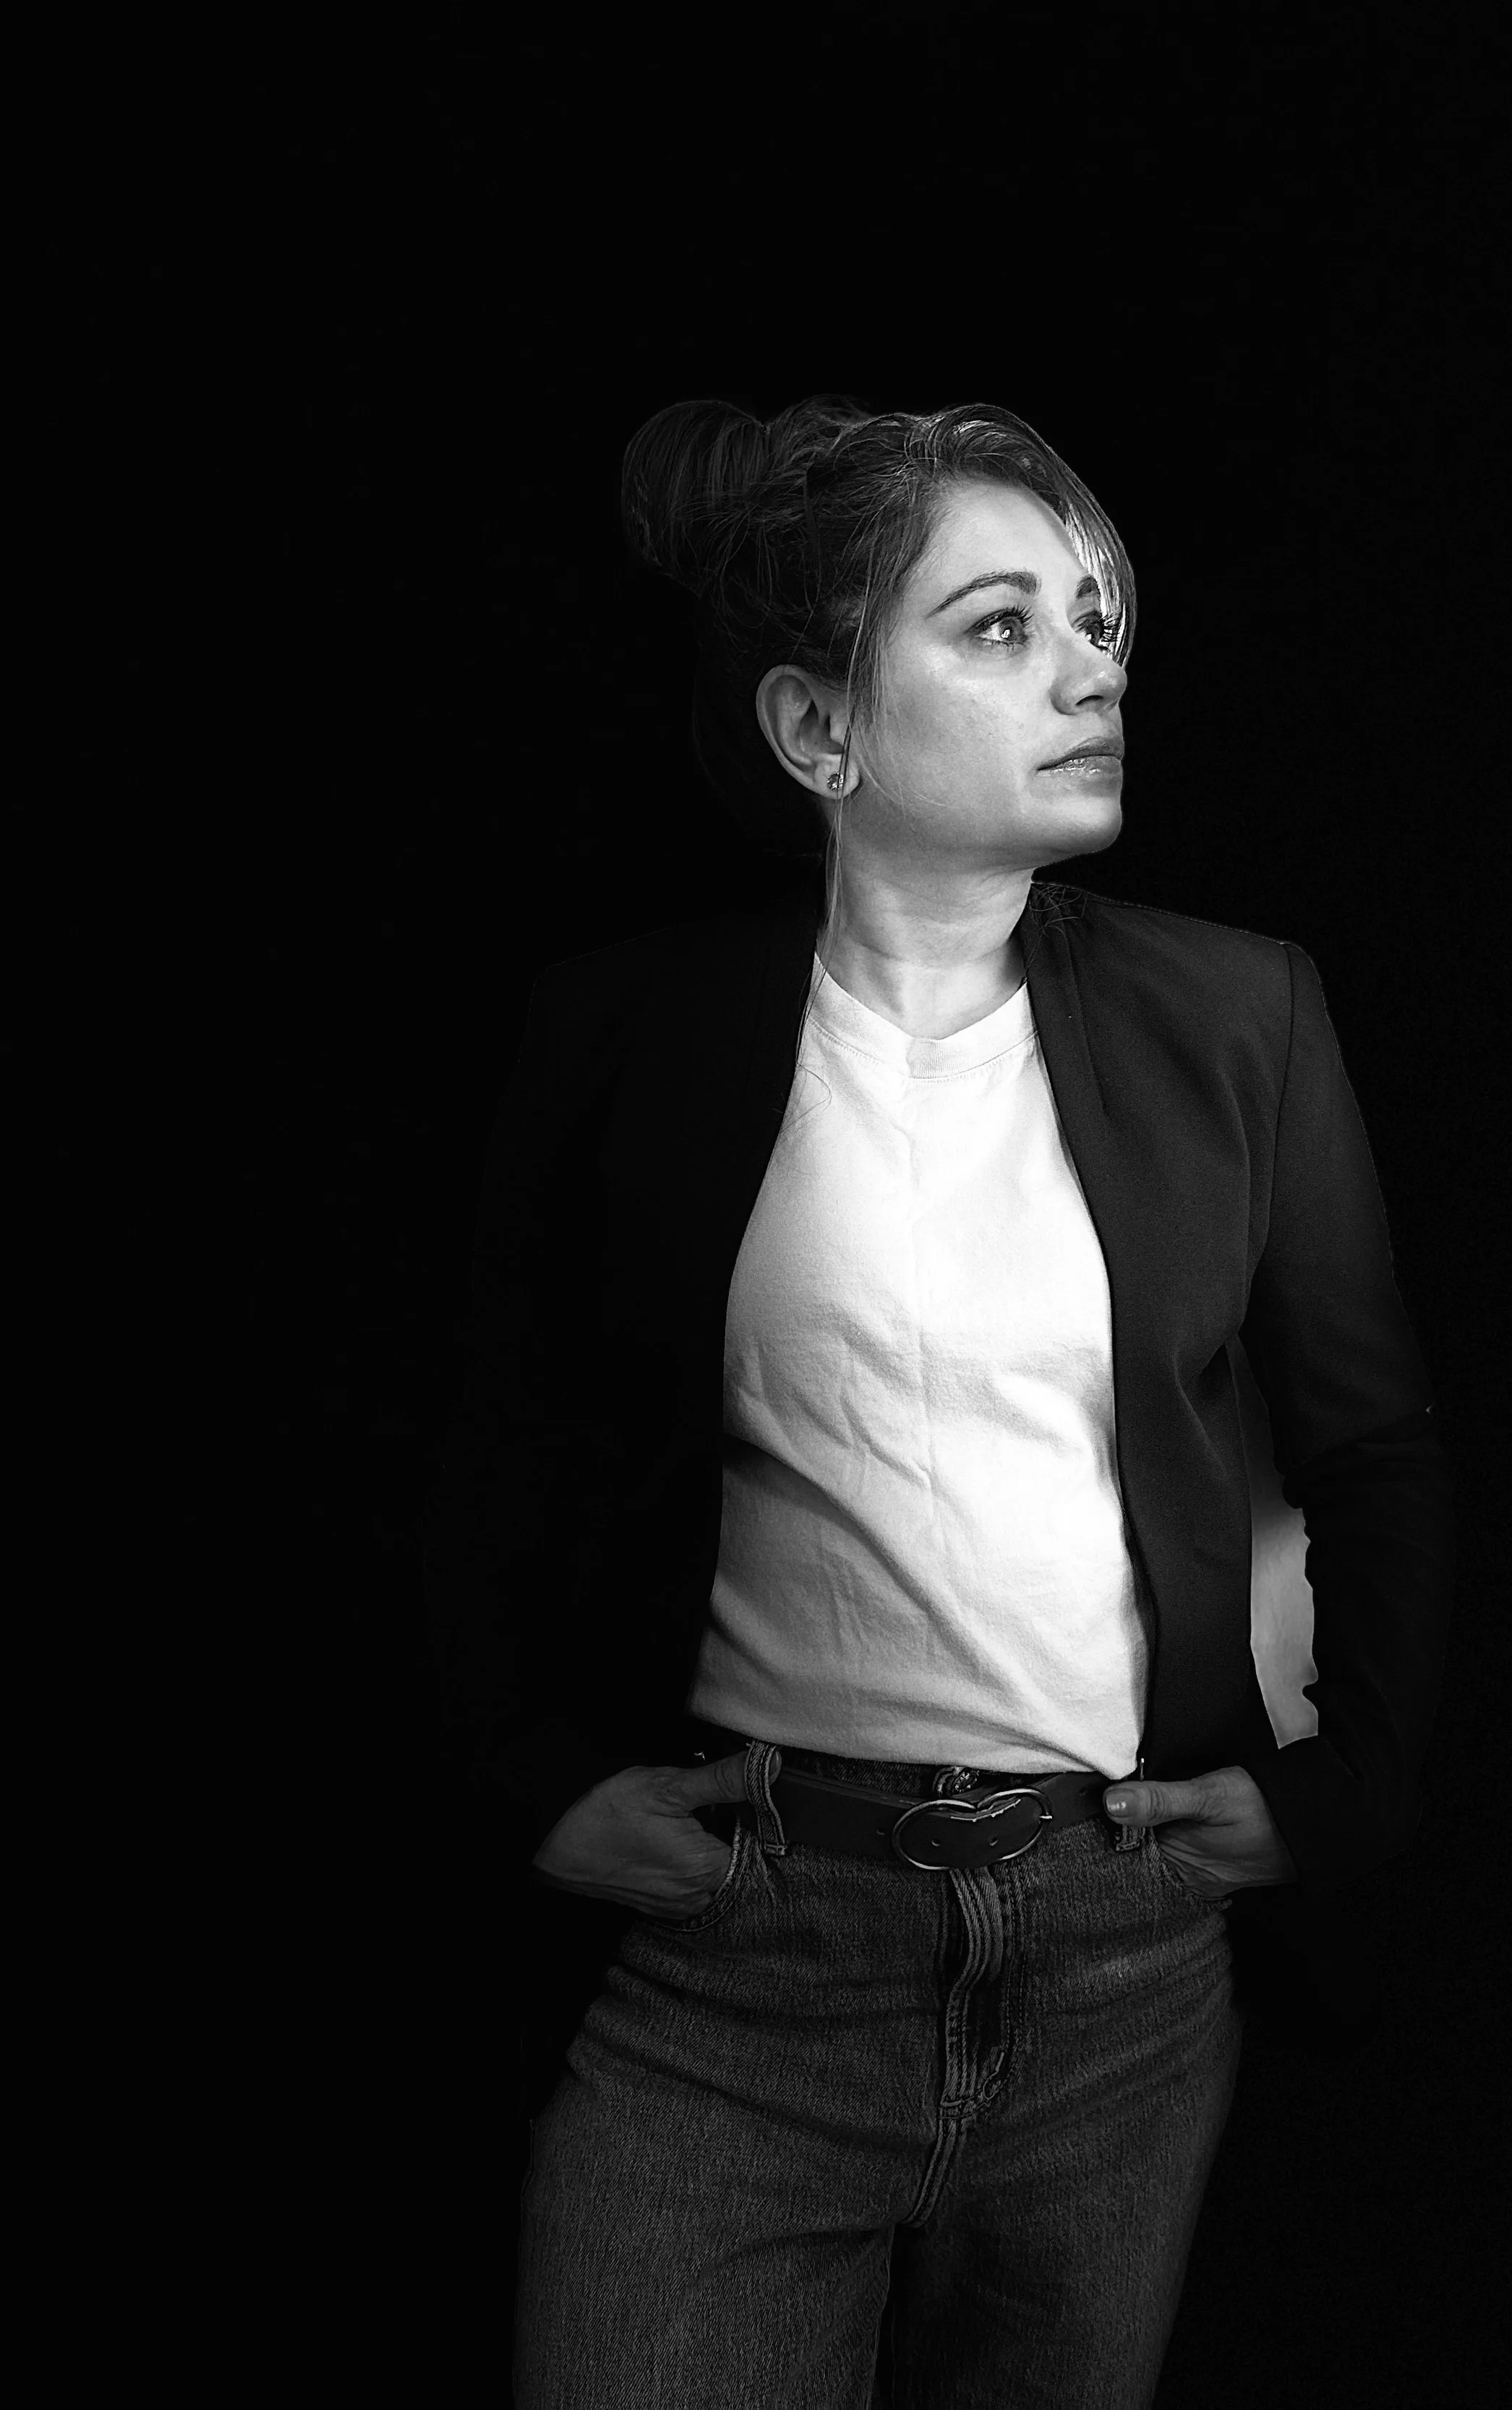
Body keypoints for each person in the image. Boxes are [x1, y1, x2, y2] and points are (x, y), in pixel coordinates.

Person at [420, 395, 1456, 2409]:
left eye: (1097, 620)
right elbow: (493, 1446)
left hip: (1118, 1969)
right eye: (1001, 627)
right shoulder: (625, 1030)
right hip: (740, 1961)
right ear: (822, 729)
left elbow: (1372, 1449)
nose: (1092, 671)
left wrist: (1348, 1789)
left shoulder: (1238, 1014)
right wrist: (529, 1777)